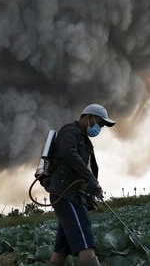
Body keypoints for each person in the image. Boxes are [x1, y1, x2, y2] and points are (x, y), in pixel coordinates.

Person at [44, 104, 116, 266]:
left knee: (61, 249)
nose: (100, 127)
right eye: (100, 123)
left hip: (75, 195)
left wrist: (89, 194)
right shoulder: (69, 132)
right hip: (66, 194)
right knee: (85, 242)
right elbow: (68, 153)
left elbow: (80, 170)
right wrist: (91, 180)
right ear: (89, 117)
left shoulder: (84, 140)